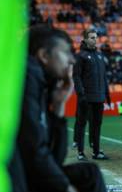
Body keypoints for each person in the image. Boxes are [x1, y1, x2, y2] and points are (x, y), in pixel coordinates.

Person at [14, 25, 107, 192]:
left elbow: (55, 158)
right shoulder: (26, 79)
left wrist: (58, 106)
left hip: (27, 175)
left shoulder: (42, 84)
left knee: (89, 173)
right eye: (65, 52)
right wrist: (65, 187)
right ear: (43, 55)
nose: (71, 60)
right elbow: (34, 154)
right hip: (16, 180)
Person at [73, 29, 110, 161]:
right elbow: (76, 76)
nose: (95, 40)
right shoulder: (80, 56)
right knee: (82, 124)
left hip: (99, 97)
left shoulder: (100, 56)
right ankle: (81, 152)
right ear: (85, 40)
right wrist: (80, 94)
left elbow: (104, 77)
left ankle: (96, 151)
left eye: (96, 37)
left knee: (97, 124)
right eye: (92, 37)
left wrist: (107, 94)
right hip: (86, 97)